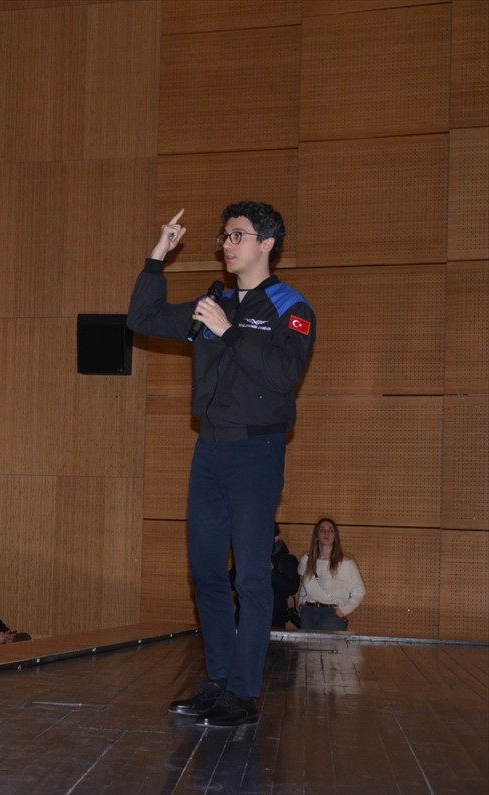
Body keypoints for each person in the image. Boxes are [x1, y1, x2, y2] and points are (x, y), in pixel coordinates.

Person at [128, 201, 316, 728]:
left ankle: (245, 695)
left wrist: (230, 330)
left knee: (252, 576)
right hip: (209, 449)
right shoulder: (214, 300)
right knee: (207, 572)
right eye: (224, 235)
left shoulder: (289, 305)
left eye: (238, 235)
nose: (226, 244)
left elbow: (283, 376)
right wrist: (157, 257)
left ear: (266, 244)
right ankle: (218, 682)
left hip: (256, 452)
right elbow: (140, 318)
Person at [298, 518, 365, 631]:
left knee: (328, 648)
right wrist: (301, 603)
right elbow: (303, 587)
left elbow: (360, 590)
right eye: (322, 529)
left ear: (335, 536)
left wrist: (344, 610)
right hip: (308, 613)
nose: (326, 533)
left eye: (331, 530)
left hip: (331, 615)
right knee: (307, 648)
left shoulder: (346, 563)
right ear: (316, 535)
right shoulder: (306, 560)